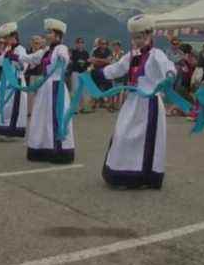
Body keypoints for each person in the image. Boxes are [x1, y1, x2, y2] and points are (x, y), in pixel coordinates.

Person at [95, 15, 177, 189]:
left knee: (143, 140)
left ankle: (142, 176)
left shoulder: (157, 55)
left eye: (139, 37)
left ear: (149, 35)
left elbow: (169, 66)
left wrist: (170, 76)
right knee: (122, 135)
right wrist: (97, 73)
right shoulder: (132, 55)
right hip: (132, 102)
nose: (136, 41)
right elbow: (117, 68)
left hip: (149, 105)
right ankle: (122, 172)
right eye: (134, 37)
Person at [18, 19, 74, 163]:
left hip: (56, 86)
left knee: (55, 117)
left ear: (58, 36)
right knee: (42, 117)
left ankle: (58, 150)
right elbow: (32, 58)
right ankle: (42, 148)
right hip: (46, 87)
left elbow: (65, 58)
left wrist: (64, 59)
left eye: (50, 32)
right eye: (47, 32)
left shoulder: (60, 48)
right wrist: (16, 56)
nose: (47, 35)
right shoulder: (46, 51)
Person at [89, 38, 112, 110]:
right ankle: (95, 103)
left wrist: (98, 59)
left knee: (107, 88)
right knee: (96, 87)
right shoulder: (95, 51)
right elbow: (92, 61)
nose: (104, 45)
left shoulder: (109, 51)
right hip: (96, 72)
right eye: (102, 43)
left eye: (105, 43)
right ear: (99, 44)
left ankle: (107, 103)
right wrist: (103, 61)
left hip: (106, 71)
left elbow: (108, 61)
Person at [69, 38, 90, 113]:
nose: (80, 44)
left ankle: (83, 107)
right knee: (75, 90)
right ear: (76, 44)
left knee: (83, 90)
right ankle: (75, 108)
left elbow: (88, 63)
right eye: (79, 43)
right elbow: (71, 60)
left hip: (83, 73)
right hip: (75, 72)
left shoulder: (86, 53)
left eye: (82, 42)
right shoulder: (73, 52)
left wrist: (87, 63)